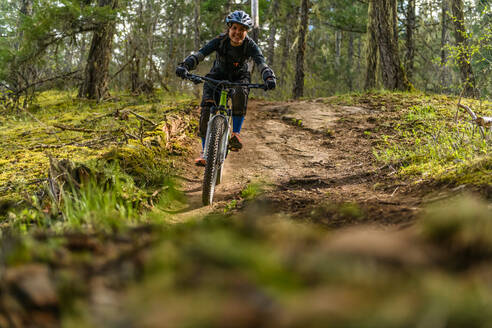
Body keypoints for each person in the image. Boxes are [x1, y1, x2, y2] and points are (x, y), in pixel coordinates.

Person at [176, 10, 276, 166]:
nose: (237, 33)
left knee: (240, 92)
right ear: (229, 28)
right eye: (235, 28)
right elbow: (201, 54)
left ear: (246, 32)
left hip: (239, 78)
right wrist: (185, 66)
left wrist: (268, 77)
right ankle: (205, 153)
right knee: (206, 111)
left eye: (242, 30)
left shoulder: (250, 45)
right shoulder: (220, 41)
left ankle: (235, 134)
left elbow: (261, 62)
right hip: (216, 76)